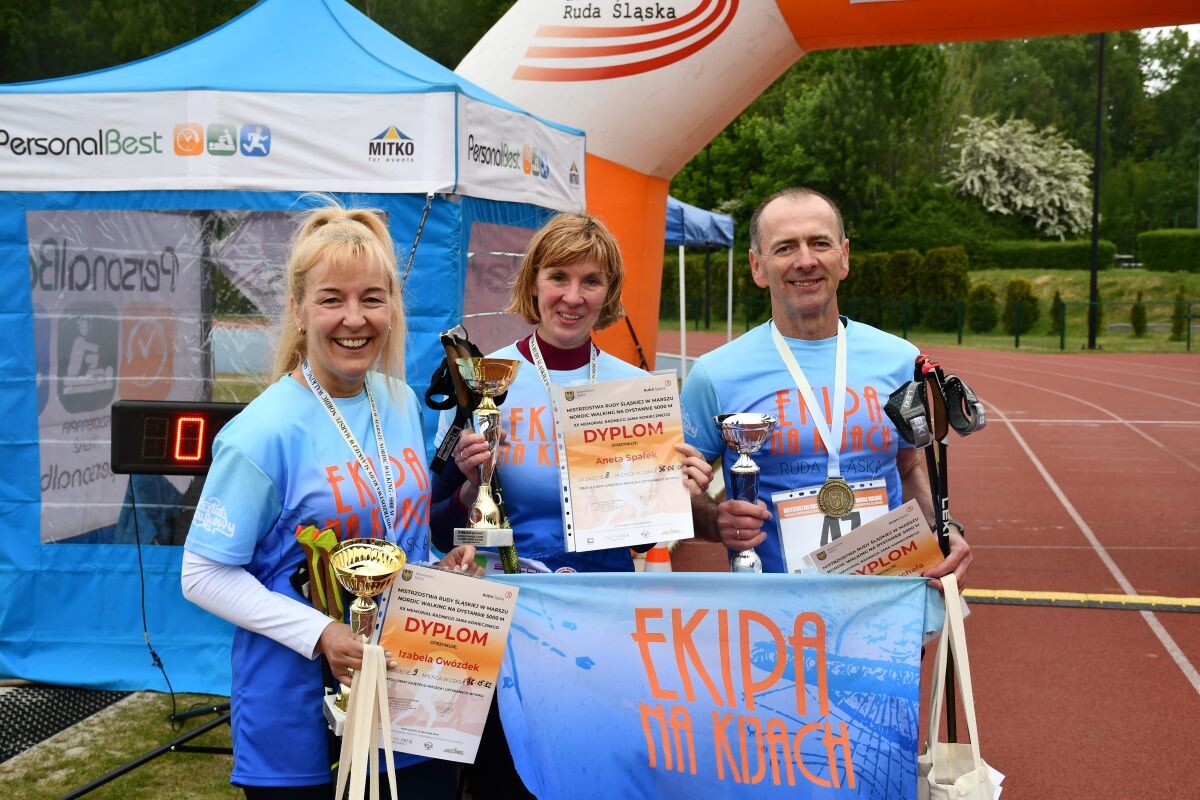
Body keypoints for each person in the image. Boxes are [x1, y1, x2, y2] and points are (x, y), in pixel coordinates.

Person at [181, 198, 480, 799]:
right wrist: (321, 633)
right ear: (297, 310)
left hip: (413, 698)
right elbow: (202, 573)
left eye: (372, 298)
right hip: (299, 718)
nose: (354, 318)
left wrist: (439, 569)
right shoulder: (262, 432)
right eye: (331, 299)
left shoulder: (396, 400)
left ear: (393, 309)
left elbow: (399, 531)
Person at [429, 212, 712, 798]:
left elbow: (639, 540)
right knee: (500, 783)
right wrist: (464, 485)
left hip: (599, 628)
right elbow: (437, 529)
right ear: (534, 281)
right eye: (559, 277)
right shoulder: (482, 378)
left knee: (592, 781)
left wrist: (674, 497)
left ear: (609, 294)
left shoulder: (632, 387)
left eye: (592, 282)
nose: (573, 297)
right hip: (499, 628)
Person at [680, 187, 971, 585]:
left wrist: (945, 529)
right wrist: (715, 521)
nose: (805, 260)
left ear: (844, 256)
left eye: (820, 243)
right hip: (771, 611)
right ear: (757, 267)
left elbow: (908, 467)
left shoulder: (900, 359)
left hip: (884, 600)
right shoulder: (715, 373)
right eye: (785, 248)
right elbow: (672, 489)